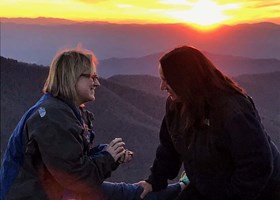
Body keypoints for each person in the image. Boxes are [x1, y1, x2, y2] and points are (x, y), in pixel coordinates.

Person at [0, 48, 187, 200]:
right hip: (39, 195)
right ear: (72, 77)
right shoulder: (52, 117)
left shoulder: (62, 111)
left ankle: (181, 189)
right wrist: (107, 157)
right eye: (92, 77)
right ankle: (183, 189)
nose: (97, 83)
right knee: (130, 195)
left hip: (53, 190)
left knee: (130, 193)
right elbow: (77, 178)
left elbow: (71, 160)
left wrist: (107, 153)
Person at [138, 46, 280, 200]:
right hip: (210, 188)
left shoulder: (232, 110)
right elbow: (169, 147)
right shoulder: (177, 105)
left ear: (184, 80)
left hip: (259, 192)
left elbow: (257, 164)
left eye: (167, 80)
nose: (162, 87)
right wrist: (154, 181)